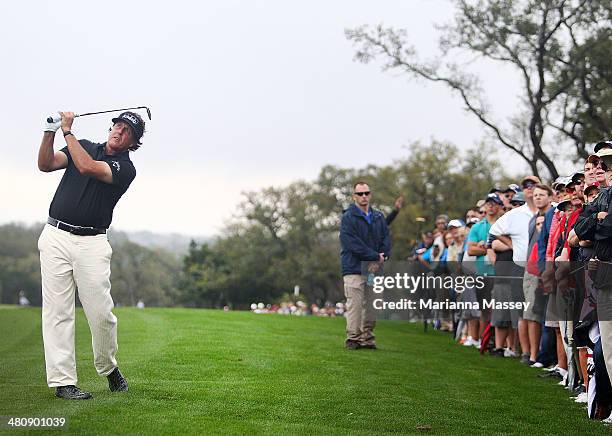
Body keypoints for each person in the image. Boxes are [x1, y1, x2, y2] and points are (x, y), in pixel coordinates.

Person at [37, 110, 145, 399]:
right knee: (57, 312)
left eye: (127, 132)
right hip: (55, 237)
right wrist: (49, 131)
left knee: (101, 314)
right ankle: (63, 382)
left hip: (92, 244)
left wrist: (67, 131)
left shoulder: (125, 168)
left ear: (133, 142)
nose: (119, 132)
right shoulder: (81, 144)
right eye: (118, 126)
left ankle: (108, 368)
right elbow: (46, 164)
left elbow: (86, 167)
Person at [339, 182, 391, 350]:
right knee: (355, 303)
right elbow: (351, 244)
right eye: (360, 194)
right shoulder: (348, 217)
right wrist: (374, 256)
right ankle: (353, 338)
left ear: (370, 195)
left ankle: (367, 338)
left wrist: (381, 258)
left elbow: (386, 239)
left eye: (366, 193)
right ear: (354, 196)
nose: (363, 196)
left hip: (374, 268)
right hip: (354, 267)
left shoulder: (379, 217)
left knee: (373, 303)